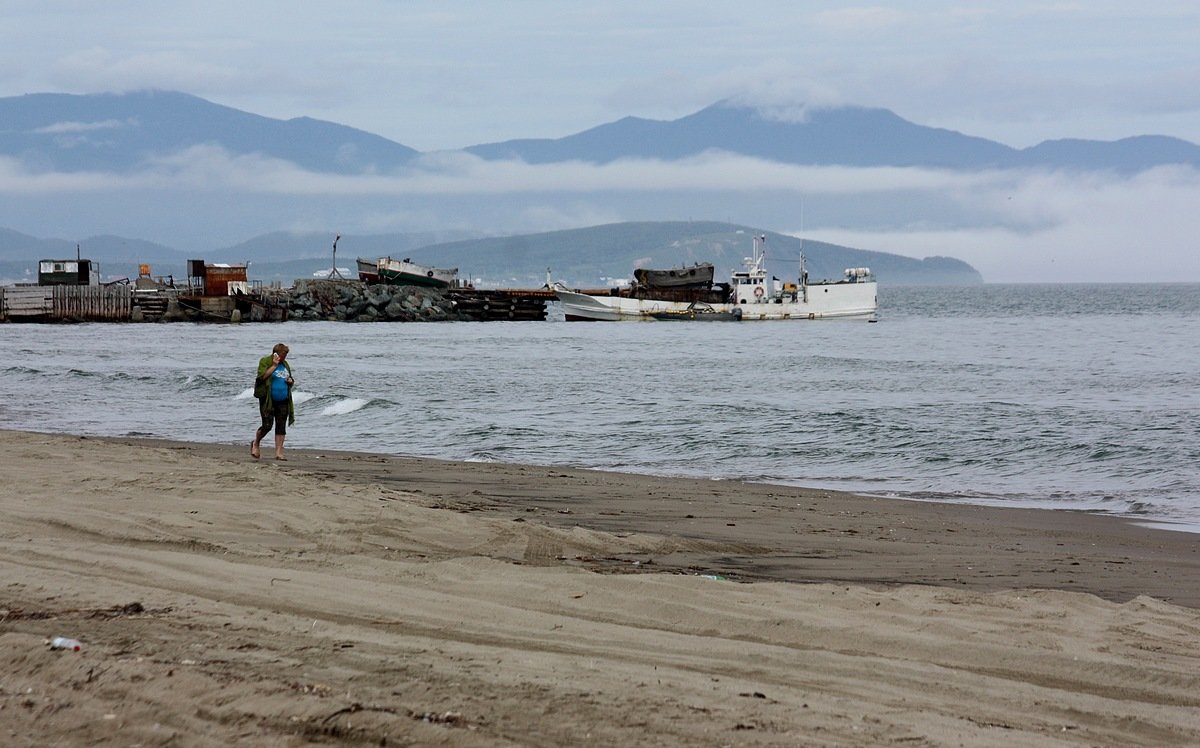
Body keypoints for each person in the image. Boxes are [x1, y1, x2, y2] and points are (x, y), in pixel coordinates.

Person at [251, 343, 295, 460]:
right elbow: (261, 378)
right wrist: (274, 366)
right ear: (275, 353)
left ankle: (279, 452)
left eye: (285, 355)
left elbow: (289, 378)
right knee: (267, 425)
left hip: (283, 399)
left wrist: (290, 381)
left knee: (281, 426)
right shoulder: (265, 361)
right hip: (268, 400)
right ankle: (256, 443)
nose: (283, 358)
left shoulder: (285, 364)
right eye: (282, 355)